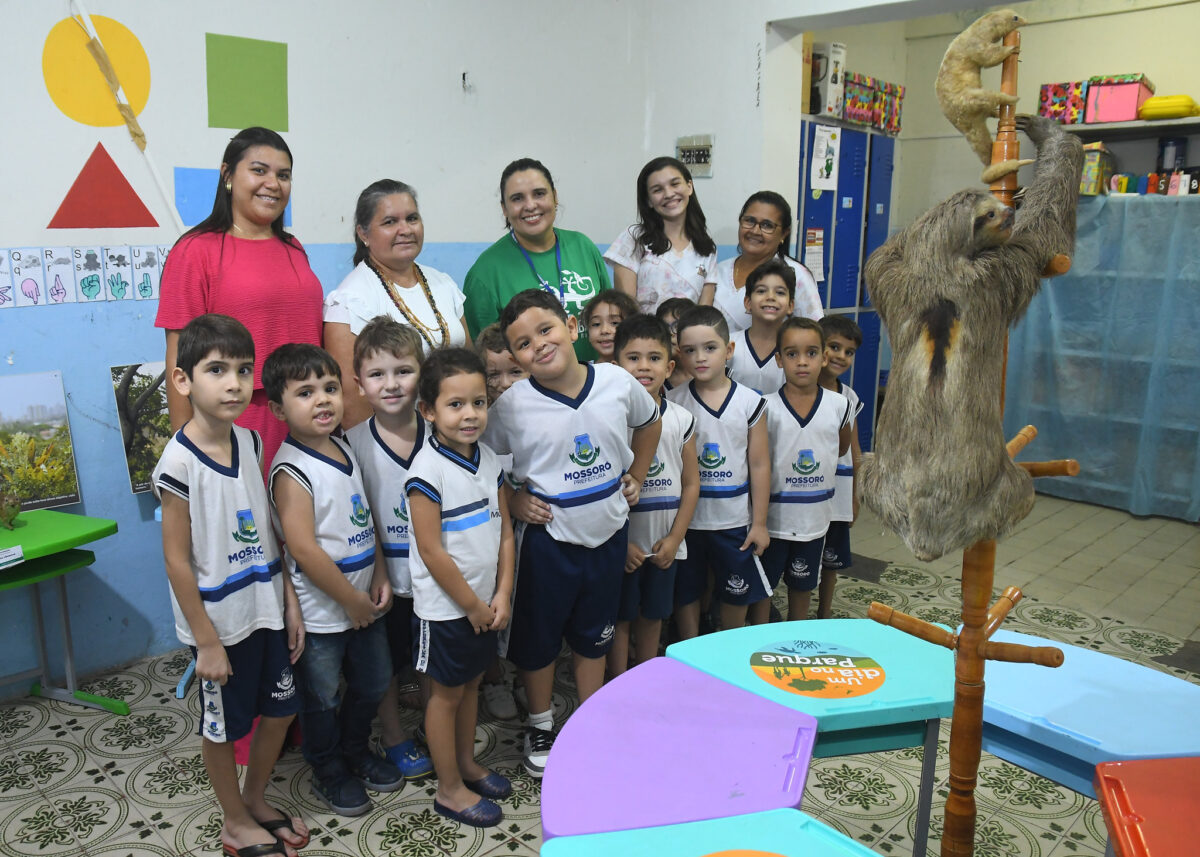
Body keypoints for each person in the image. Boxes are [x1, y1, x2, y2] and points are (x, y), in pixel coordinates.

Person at [486, 289, 660, 777]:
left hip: (607, 534)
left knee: (594, 635)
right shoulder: (511, 406)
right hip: (547, 541)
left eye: (546, 330)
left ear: (571, 326)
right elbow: (483, 463)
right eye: (523, 343)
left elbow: (649, 423)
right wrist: (513, 499)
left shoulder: (616, 381)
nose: (539, 345)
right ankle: (541, 723)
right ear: (514, 356)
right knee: (539, 640)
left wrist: (638, 475)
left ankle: (591, 717)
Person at [152, 314, 307, 857]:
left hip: (265, 608)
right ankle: (234, 821)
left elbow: (265, 529)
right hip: (220, 625)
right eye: (216, 370)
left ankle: (255, 799)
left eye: (243, 370)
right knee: (222, 728)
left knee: (281, 709)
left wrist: (289, 601)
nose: (234, 383)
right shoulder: (178, 462)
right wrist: (207, 641)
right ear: (183, 380)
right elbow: (176, 561)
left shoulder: (250, 442)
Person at [264, 344, 399, 816]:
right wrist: (349, 600)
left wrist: (379, 571)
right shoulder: (291, 470)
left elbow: (366, 517)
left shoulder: (343, 447)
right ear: (279, 409)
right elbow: (303, 549)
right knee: (321, 697)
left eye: (329, 388)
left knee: (374, 681)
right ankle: (328, 768)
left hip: (363, 603)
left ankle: (356, 749)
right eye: (305, 393)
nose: (322, 399)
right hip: (323, 613)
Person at [157, 127, 323, 467]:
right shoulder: (194, 251)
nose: (273, 184)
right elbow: (178, 359)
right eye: (259, 171)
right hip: (239, 423)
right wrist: (186, 454)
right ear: (228, 175)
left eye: (283, 175)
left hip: (309, 417)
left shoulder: (293, 248)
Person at [406, 347, 516, 828]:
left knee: (471, 684)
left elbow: (506, 531)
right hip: (448, 610)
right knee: (445, 695)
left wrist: (503, 593)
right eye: (455, 404)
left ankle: (467, 764)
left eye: (478, 402)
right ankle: (449, 789)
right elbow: (432, 551)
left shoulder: (488, 460)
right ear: (427, 410)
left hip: (484, 604)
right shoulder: (426, 472)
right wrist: (472, 605)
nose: (469, 414)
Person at [341, 317, 435, 782]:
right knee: (386, 668)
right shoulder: (352, 445)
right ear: (359, 385)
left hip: (438, 579)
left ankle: (438, 730)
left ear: (422, 374)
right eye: (377, 374)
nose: (392, 384)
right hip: (384, 583)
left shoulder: (443, 433)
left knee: (433, 662)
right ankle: (395, 737)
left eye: (403, 371)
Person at [324, 180, 470, 427]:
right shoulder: (349, 302)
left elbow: (470, 362)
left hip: (460, 432)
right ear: (363, 234)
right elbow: (352, 407)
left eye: (412, 219)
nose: (405, 230)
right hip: (395, 443)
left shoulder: (443, 284)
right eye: (390, 222)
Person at [666, 306, 770, 637]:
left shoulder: (750, 402)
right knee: (687, 590)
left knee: (736, 589)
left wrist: (759, 523)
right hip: (687, 521)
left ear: (729, 350)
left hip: (734, 521)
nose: (700, 357)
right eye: (689, 350)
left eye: (710, 348)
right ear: (679, 355)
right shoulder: (674, 402)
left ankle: (731, 645)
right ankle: (690, 648)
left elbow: (759, 464)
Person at [609, 315, 699, 677]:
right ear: (616, 366)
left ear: (670, 367)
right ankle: (618, 681)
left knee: (653, 617)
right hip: (622, 547)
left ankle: (644, 679)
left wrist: (675, 538)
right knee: (620, 619)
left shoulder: (681, 418)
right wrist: (621, 545)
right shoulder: (610, 419)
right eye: (633, 358)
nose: (644, 366)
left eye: (654, 358)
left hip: (664, 544)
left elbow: (691, 484)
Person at [463, 158, 611, 361]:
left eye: (539, 194)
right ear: (504, 209)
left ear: (555, 197)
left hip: (596, 377)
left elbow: (611, 317)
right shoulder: (485, 273)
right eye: (517, 198)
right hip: (531, 381)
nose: (530, 205)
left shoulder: (583, 246)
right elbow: (487, 357)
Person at [758, 318, 852, 623]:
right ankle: (760, 637)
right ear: (778, 359)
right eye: (792, 354)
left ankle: (796, 636)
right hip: (773, 521)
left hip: (814, 520)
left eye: (811, 353)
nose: (802, 362)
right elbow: (757, 461)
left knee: (803, 586)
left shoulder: (839, 405)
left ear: (824, 358)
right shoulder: (765, 406)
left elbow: (841, 448)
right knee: (764, 589)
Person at [472, 323, 528, 722]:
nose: (504, 384)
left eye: (514, 372)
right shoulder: (476, 420)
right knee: (492, 602)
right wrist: (513, 501)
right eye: (493, 374)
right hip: (492, 533)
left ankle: (526, 674)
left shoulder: (537, 412)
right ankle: (493, 679)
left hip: (531, 532)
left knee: (527, 608)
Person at [605, 156, 718, 313]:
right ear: (649, 200)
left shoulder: (706, 248)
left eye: (675, 184)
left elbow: (704, 314)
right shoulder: (634, 238)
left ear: (689, 187)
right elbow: (626, 309)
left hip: (690, 330)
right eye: (657, 190)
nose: (669, 194)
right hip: (642, 328)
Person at [711, 191, 823, 334]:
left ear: (784, 234)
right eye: (749, 221)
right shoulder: (719, 270)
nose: (755, 231)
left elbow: (814, 333)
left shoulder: (797, 275)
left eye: (767, 225)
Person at [817, 315, 864, 619]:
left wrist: (855, 497)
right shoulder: (798, 390)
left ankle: (824, 614)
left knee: (831, 561)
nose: (841, 356)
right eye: (834, 347)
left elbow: (855, 452)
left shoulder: (849, 396)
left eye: (849, 352)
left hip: (839, 491)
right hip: (805, 490)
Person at [727, 259, 796, 395]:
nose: (770, 297)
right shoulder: (728, 344)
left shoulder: (796, 351)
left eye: (780, 292)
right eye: (761, 291)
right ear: (748, 303)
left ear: (790, 306)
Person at [580, 290, 639, 364]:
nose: (604, 330)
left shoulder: (639, 368)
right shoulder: (586, 370)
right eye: (596, 324)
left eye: (615, 323)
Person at [655, 297, 695, 393]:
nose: (670, 333)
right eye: (664, 327)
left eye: (677, 327)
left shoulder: (711, 370)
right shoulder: (657, 379)